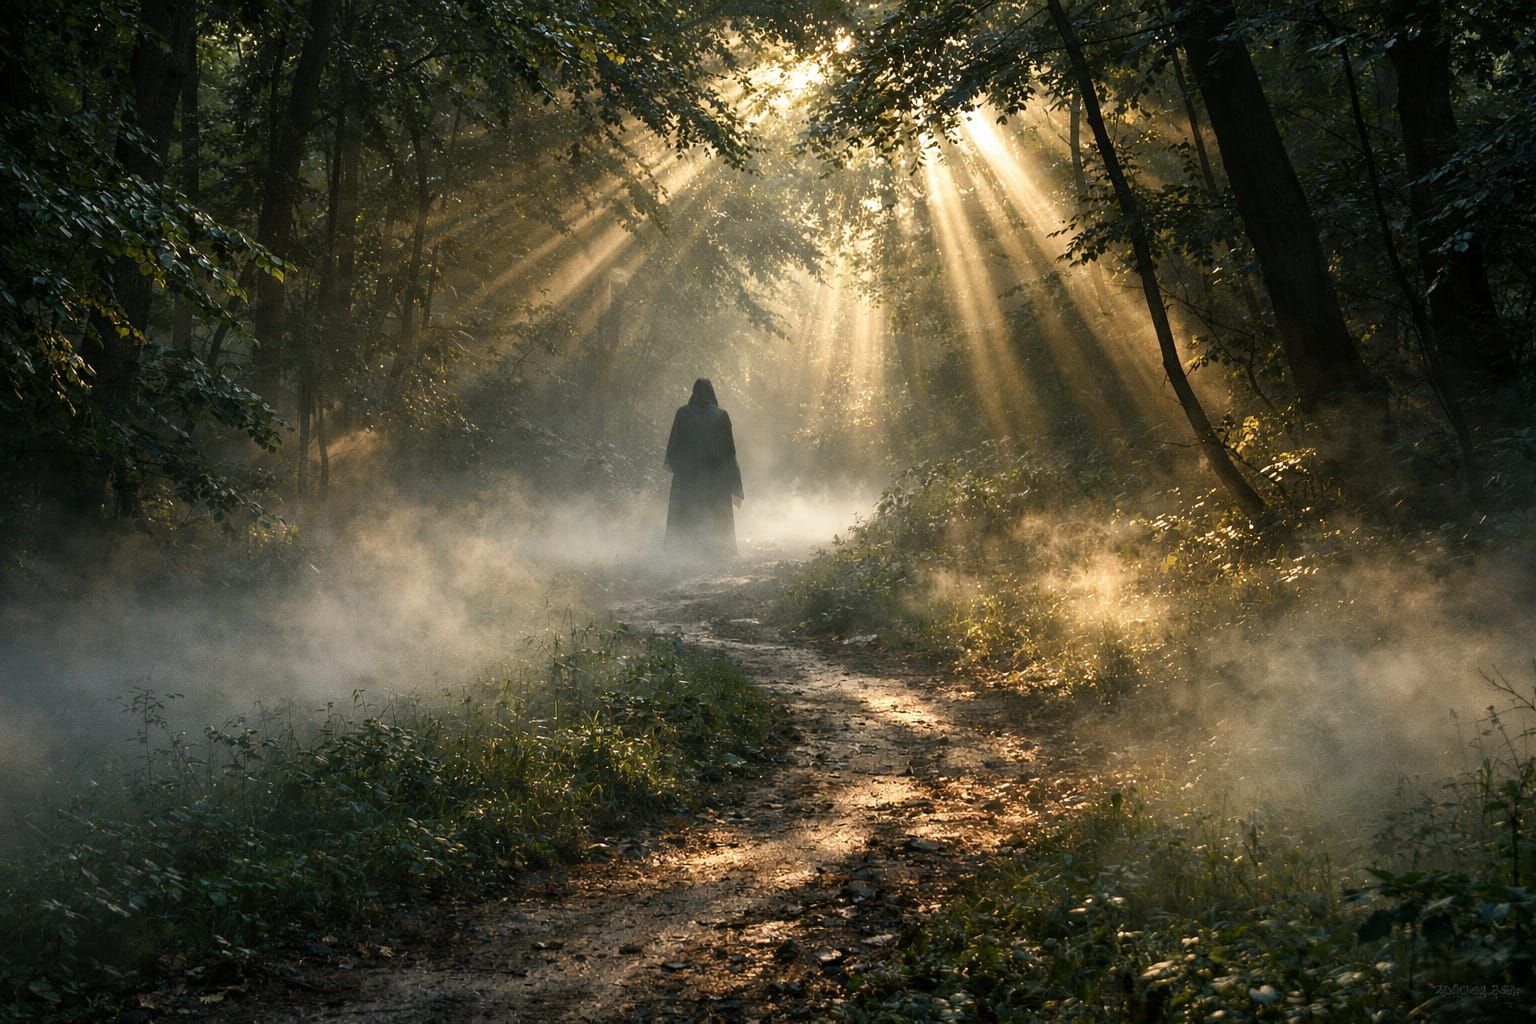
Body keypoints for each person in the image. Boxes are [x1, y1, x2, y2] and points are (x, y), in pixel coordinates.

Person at [664, 378, 743, 557]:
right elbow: (729, 453)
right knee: (714, 512)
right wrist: (732, 482)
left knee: (687, 511)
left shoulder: (682, 414)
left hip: (687, 478)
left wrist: (684, 469)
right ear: (712, 393)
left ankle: (684, 550)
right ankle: (718, 549)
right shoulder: (721, 416)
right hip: (715, 478)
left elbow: (674, 448)